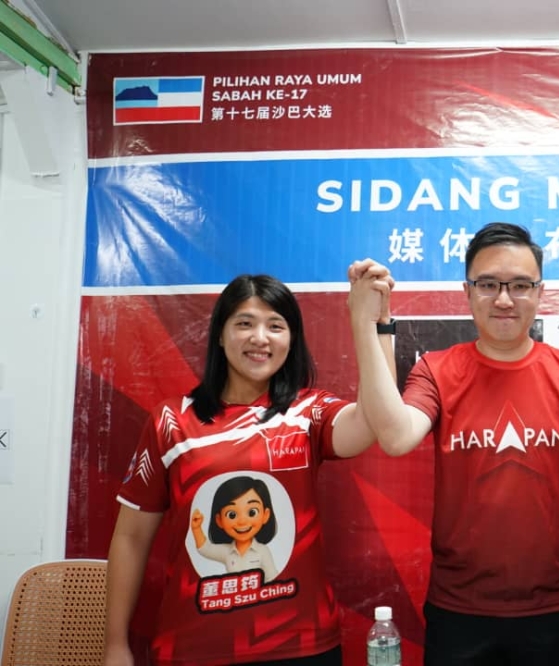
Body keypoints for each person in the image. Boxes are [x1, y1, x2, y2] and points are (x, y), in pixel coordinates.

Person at [348, 222, 559, 666]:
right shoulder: (437, 370)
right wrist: (367, 323)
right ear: (467, 290)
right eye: (488, 284)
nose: (503, 299)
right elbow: (397, 436)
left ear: (539, 292)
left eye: (519, 285)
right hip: (458, 612)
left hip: (551, 611)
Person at [103, 267, 394, 666]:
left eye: (276, 325)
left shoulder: (308, 412)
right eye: (244, 323)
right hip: (191, 649)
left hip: (302, 647)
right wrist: (114, 645)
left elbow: (379, 420)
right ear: (220, 336)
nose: (260, 338)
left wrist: (376, 324)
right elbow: (131, 540)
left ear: (291, 341)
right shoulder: (171, 422)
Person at [191, 476, 280, 582]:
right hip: (233, 596)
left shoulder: (262, 551)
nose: (242, 522)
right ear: (219, 520)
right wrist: (196, 528)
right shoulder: (227, 552)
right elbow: (206, 549)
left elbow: (272, 577)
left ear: (265, 515)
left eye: (252, 512)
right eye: (232, 515)